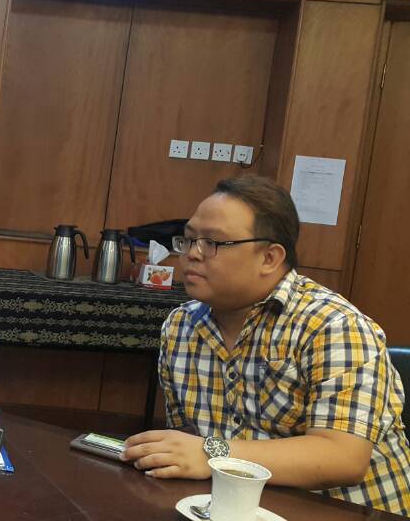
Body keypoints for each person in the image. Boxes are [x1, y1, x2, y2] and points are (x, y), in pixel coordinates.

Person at [121, 175, 410, 515]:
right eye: (188, 240)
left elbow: (343, 457)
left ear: (270, 258)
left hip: (343, 510)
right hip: (236, 507)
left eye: (212, 243)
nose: (192, 255)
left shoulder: (333, 326)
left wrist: (211, 452)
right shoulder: (181, 326)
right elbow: (188, 436)